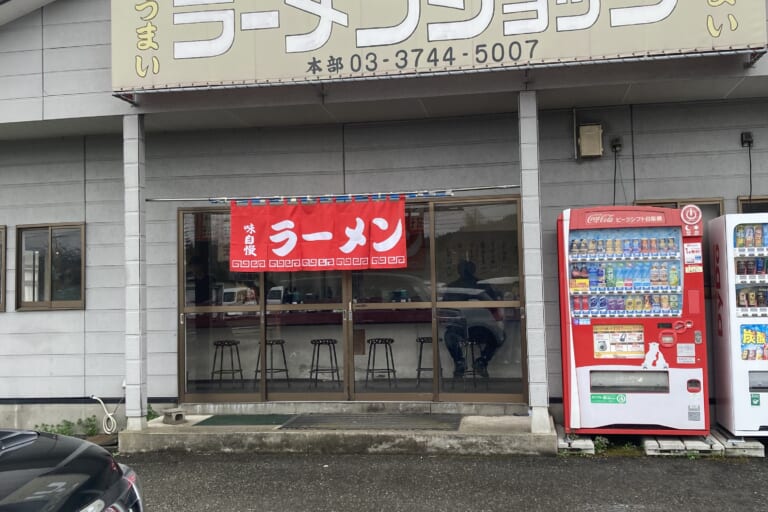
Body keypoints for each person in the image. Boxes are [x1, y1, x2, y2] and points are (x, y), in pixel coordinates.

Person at [442, 260, 502, 379]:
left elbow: (445, 310)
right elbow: (495, 306)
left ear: (458, 271)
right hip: (483, 330)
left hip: (461, 330)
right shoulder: (483, 286)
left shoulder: (452, 287)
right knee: (500, 335)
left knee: (449, 336)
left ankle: (459, 362)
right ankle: (482, 361)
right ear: (474, 269)